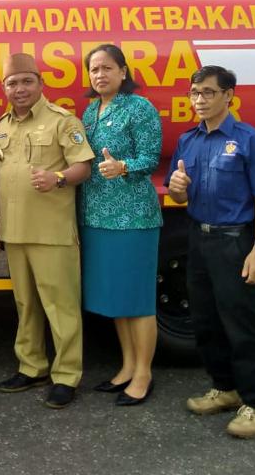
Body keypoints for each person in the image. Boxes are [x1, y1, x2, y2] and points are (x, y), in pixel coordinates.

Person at [166, 66, 255, 438]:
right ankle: (225, 388)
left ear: (228, 95)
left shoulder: (249, 139)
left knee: (242, 324)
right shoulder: (188, 140)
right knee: (205, 321)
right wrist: (177, 188)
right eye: (194, 93)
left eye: (208, 93)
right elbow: (178, 196)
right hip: (198, 239)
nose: (199, 100)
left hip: (235, 241)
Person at [0, 53, 94, 409]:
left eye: (26, 81)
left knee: (61, 305)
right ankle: (32, 366)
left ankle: (66, 375)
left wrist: (57, 178)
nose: (19, 89)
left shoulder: (62, 121)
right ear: (4, 88)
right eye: (12, 83)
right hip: (14, 230)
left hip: (51, 231)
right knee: (25, 303)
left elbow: (84, 167)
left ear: (40, 83)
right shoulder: (2, 126)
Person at [77, 44, 162, 407]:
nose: (100, 75)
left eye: (107, 68)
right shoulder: (90, 111)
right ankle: (127, 365)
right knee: (116, 297)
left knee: (137, 298)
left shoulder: (139, 107)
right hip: (97, 216)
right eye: (94, 69)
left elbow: (151, 157)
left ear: (123, 72)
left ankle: (144, 373)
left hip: (133, 217)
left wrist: (123, 166)